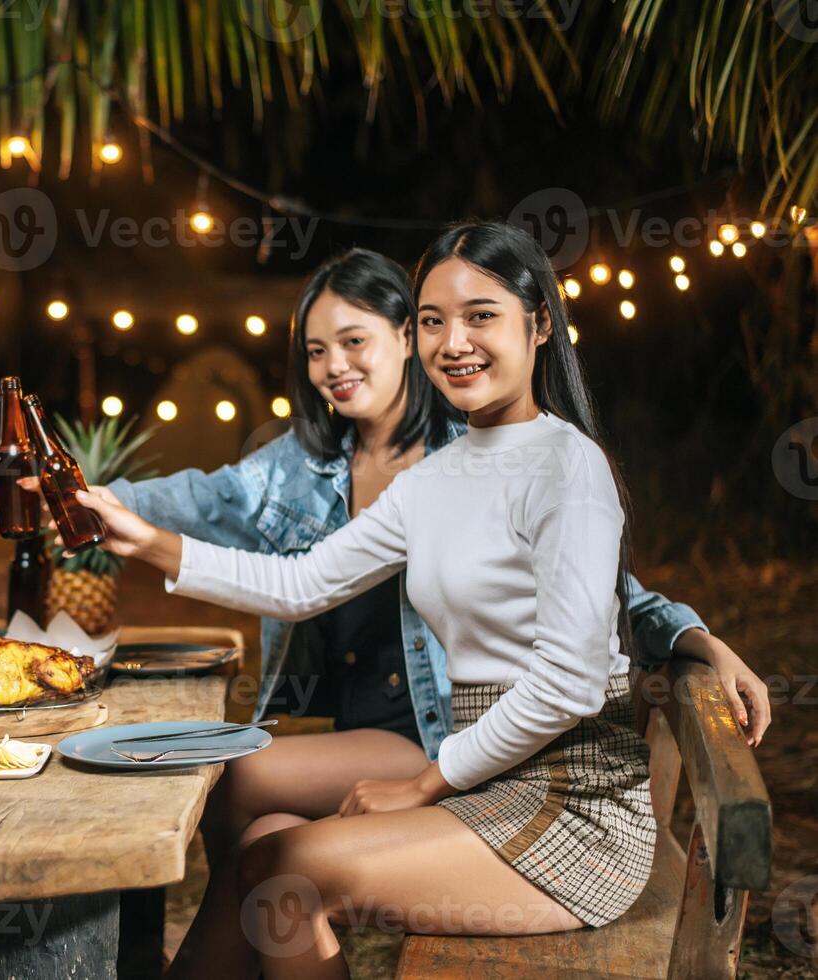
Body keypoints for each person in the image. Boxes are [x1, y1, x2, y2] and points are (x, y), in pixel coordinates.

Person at [71, 223, 771, 979]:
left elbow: (569, 678)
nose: (453, 341)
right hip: (487, 781)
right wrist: (146, 541)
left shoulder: (568, 466)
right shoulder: (434, 481)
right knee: (266, 836)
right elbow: (301, 584)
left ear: (538, 324)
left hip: (574, 803)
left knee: (282, 873)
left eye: (480, 316)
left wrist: (428, 781)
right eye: (435, 319)